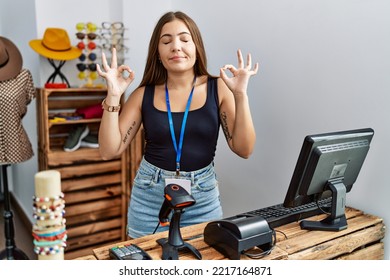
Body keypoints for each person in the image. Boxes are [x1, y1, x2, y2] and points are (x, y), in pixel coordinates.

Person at [97, 11, 258, 238]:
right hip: (150, 198)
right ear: (158, 53)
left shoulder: (219, 88)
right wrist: (113, 95)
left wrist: (240, 95)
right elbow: (108, 150)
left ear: (196, 47)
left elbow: (244, 149)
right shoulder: (143, 95)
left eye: (184, 39)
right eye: (166, 41)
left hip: (202, 198)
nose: (176, 46)